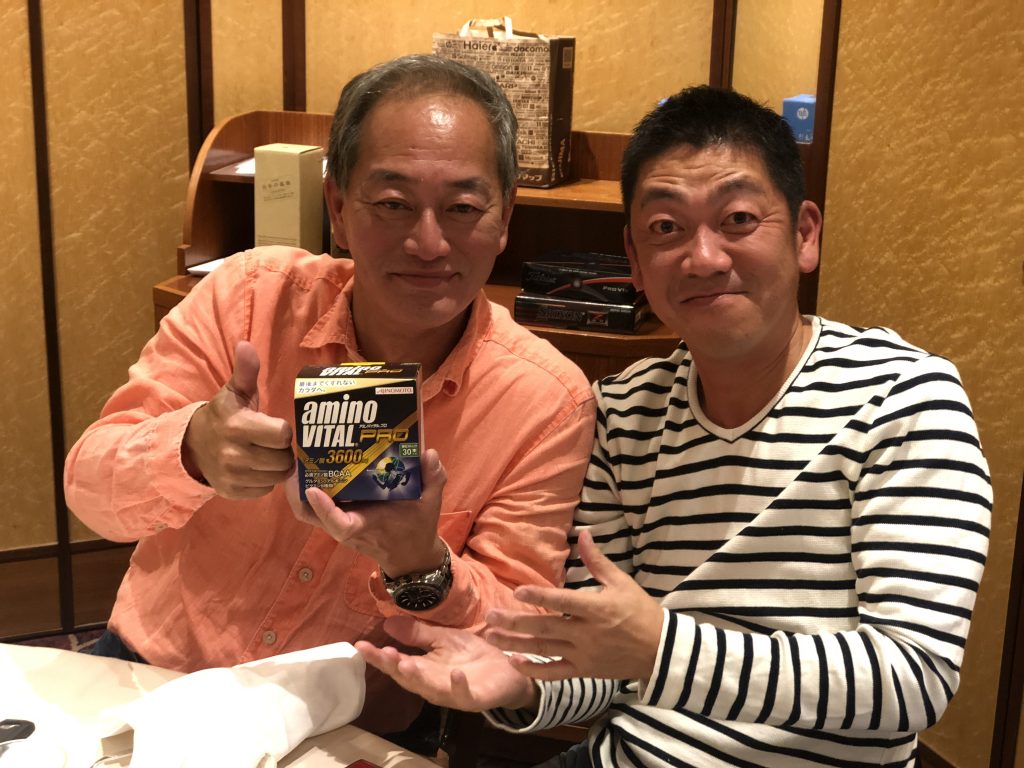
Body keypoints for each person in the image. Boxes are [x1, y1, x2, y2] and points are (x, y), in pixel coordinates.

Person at [355, 85, 993, 767]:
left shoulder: (903, 398)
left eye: (738, 219)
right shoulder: (626, 411)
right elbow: (606, 654)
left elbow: (913, 679)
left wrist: (662, 648)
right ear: (634, 261)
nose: (704, 258)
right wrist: (525, 682)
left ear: (805, 235)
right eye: (666, 228)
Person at [63, 54, 596, 738]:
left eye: (463, 208)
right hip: (154, 676)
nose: (428, 242)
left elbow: (517, 634)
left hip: (346, 728)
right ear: (338, 209)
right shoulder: (248, 299)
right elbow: (90, 490)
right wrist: (192, 450)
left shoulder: (546, 401)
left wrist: (421, 565)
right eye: (393, 204)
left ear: (504, 219)